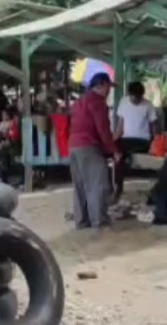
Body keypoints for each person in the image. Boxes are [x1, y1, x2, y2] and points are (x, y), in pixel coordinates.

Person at [68, 72, 119, 230]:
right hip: (89, 145)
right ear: (102, 85)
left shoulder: (79, 102)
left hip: (74, 146)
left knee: (80, 185)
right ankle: (99, 220)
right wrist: (113, 150)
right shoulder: (97, 102)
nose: (109, 91)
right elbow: (103, 129)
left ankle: (82, 221)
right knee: (98, 183)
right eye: (109, 87)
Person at [113, 81, 158, 202]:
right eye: (134, 97)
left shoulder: (148, 105)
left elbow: (153, 125)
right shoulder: (124, 102)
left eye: (139, 97)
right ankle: (118, 188)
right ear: (129, 94)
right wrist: (115, 138)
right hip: (126, 139)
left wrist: (154, 141)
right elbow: (120, 124)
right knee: (117, 155)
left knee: (122, 155)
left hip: (142, 140)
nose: (136, 100)